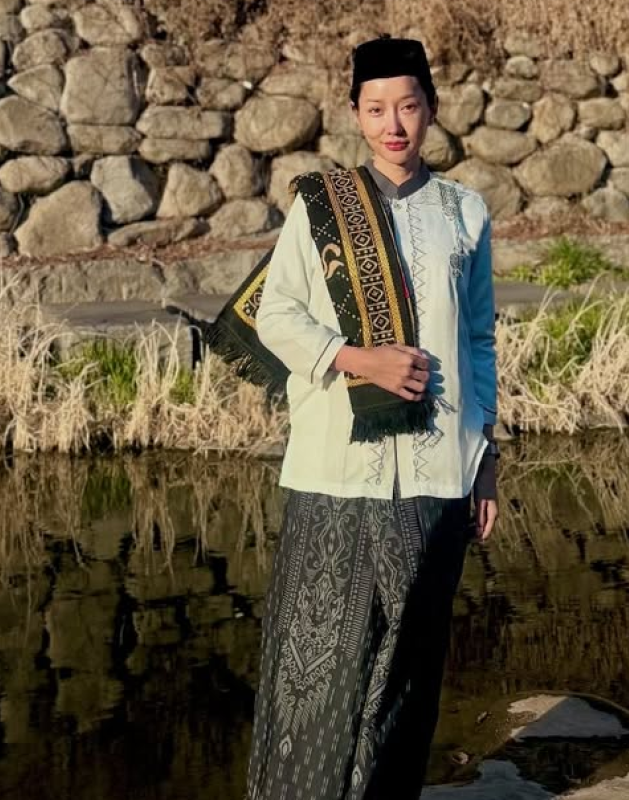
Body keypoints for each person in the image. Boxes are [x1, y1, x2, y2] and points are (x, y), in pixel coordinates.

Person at [208, 35, 499, 800]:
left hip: (436, 470)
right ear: (355, 114)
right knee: (314, 666)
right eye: (376, 109)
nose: (393, 124)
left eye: (407, 105)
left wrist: (486, 460)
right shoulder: (322, 207)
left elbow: (477, 340)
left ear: (431, 108)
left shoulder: (464, 213)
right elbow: (277, 313)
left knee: (407, 669)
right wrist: (357, 360)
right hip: (335, 468)